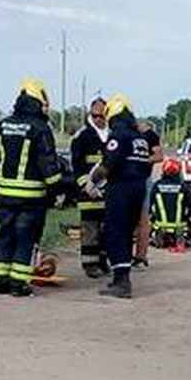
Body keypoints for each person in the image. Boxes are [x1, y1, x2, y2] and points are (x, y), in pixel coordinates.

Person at [0, 78, 63, 297]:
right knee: (25, 239)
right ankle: (18, 285)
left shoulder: (3, 125)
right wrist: (58, 189)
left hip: (5, 196)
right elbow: (48, 166)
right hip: (31, 198)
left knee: (5, 236)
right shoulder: (40, 128)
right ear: (39, 102)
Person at [89, 94, 150, 298]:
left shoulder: (119, 136)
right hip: (138, 189)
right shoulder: (140, 138)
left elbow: (107, 165)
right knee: (126, 232)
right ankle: (120, 278)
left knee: (116, 232)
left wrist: (92, 182)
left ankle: (121, 282)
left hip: (121, 189)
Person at [69, 98, 111, 278]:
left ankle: (103, 261)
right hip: (88, 191)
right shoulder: (83, 137)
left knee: (106, 229)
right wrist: (86, 185)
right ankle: (89, 264)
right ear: (90, 115)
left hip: (108, 191)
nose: (99, 119)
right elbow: (76, 165)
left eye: (102, 116)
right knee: (90, 230)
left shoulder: (113, 135)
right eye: (95, 116)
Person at [132, 118, 164, 269]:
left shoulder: (150, 136)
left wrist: (140, 160)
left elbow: (159, 156)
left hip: (143, 179)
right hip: (126, 180)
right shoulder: (125, 134)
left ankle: (141, 256)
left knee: (143, 219)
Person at [149, 158, 191, 250]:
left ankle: (157, 236)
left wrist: (151, 217)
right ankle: (182, 237)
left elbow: (148, 204)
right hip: (179, 226)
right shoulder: (183, 187)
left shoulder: (156, 186)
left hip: (160, 225)